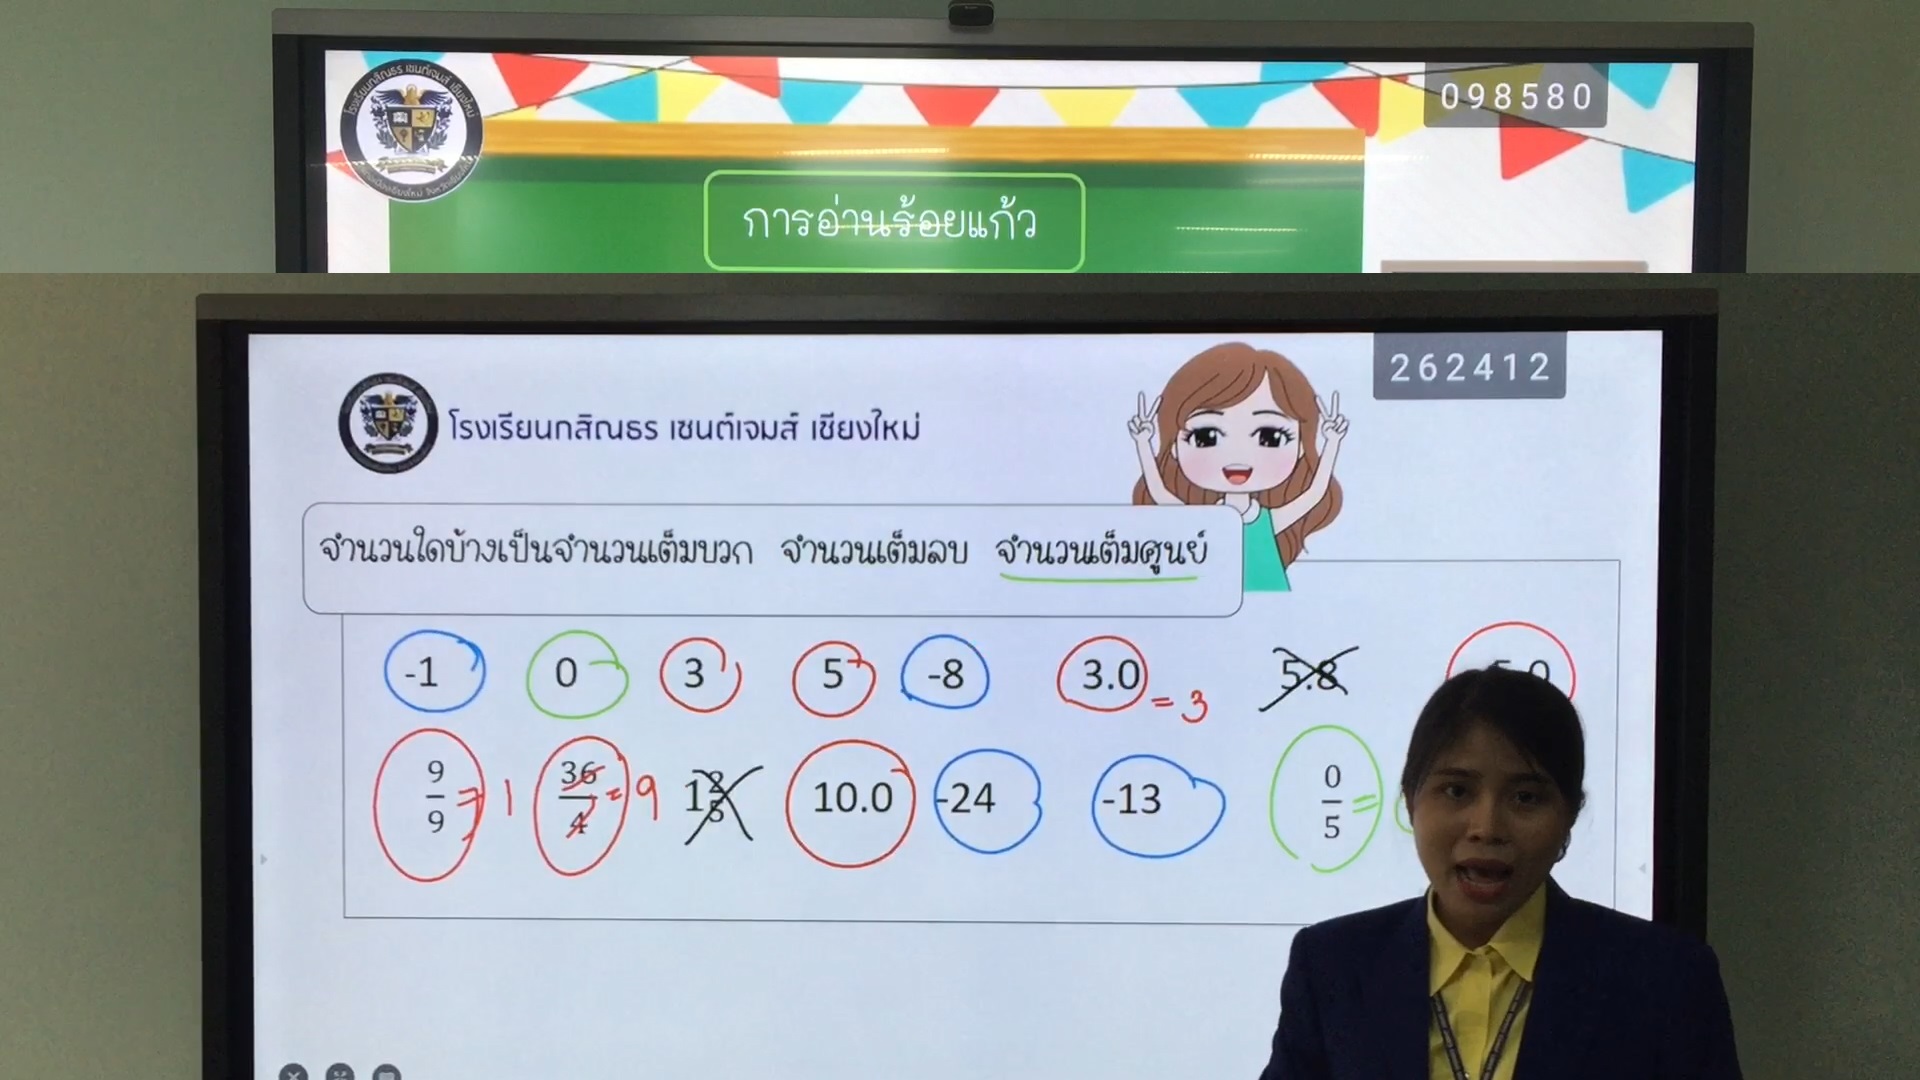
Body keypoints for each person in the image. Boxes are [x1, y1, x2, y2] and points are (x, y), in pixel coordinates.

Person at [1256, 666, 1742, 1079]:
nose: (1487, 827)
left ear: (1570, 814)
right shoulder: (1333, 967)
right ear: (1410, 800)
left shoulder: (1665, 980)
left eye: (1526, 797)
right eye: (1457, 791)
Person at [1129, 342, 1348, 592]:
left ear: (1300, 446)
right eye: (1206, 436)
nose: (1237, 456)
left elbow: (1314, 494)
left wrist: (1332, 442)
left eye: (1270, 437)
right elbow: (1159, 493)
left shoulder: (1266, 521)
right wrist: (1143, 443)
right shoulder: (1204, 521)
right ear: (1175, 447)